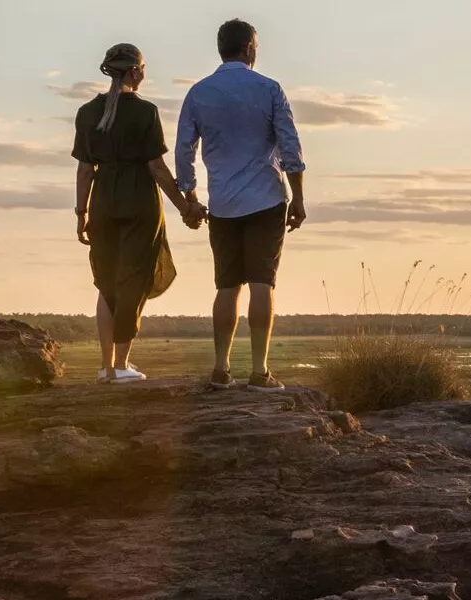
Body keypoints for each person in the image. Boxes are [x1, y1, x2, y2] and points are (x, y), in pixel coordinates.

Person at [176, 19, 308, 392]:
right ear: (250, 48)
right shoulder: (269, 89)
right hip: (266, 198)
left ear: (221, 48)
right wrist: (298, 196)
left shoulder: (199, 93)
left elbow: (185, 148)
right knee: (262, 284)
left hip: (222, 203)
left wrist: (190, 194)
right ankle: (260, 371)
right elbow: (289, 145)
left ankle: (220, 369)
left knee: (226, 286)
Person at [73, 43, 208, 384]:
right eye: (143, 67)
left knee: (106, 283)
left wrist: (81, 213)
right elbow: (157, 168)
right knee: (133, 280)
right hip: (139, 202)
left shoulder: (87, 112)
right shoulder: (145, 112)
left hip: (103, 200)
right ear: (135, 71)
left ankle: (106, 368)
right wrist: (184, 208)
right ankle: (121, 365)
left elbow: (85, 171)